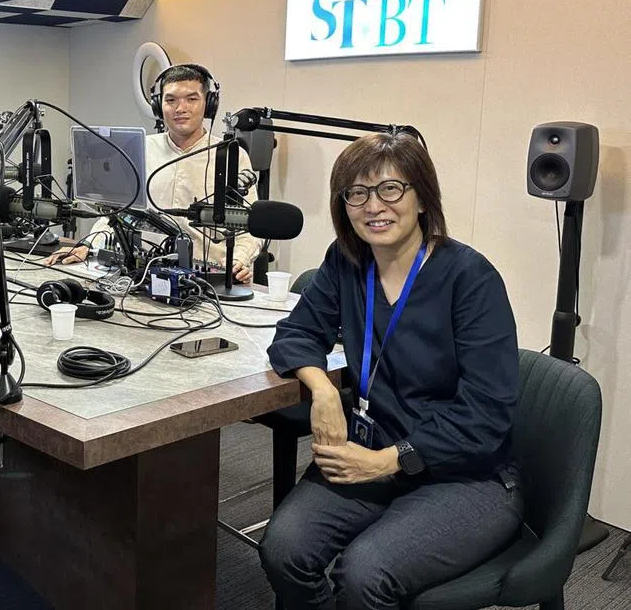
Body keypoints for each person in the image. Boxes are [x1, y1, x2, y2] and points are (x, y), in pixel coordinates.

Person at [258, 131, 523, 610]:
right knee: (284, 550)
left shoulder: (470, 278)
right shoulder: (346, 260)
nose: (373, 206)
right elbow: (296, 333)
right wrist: (320, 390)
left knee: (364, 574)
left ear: (422, 198)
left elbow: (486, 413)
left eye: (391, 189)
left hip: (464, 476)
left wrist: (387, 461)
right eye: (357, 193)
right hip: (371, 450)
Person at [47, 63, 262, 282]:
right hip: (146, 273)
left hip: (208, 278)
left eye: (192, 99)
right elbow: (118, 212)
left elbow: (250, 227)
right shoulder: (140, 149)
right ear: (159, 106)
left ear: (208, 104)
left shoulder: (231, 156)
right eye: (171, 100)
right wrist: (88, 245)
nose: (180, 108)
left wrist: (239, 261)